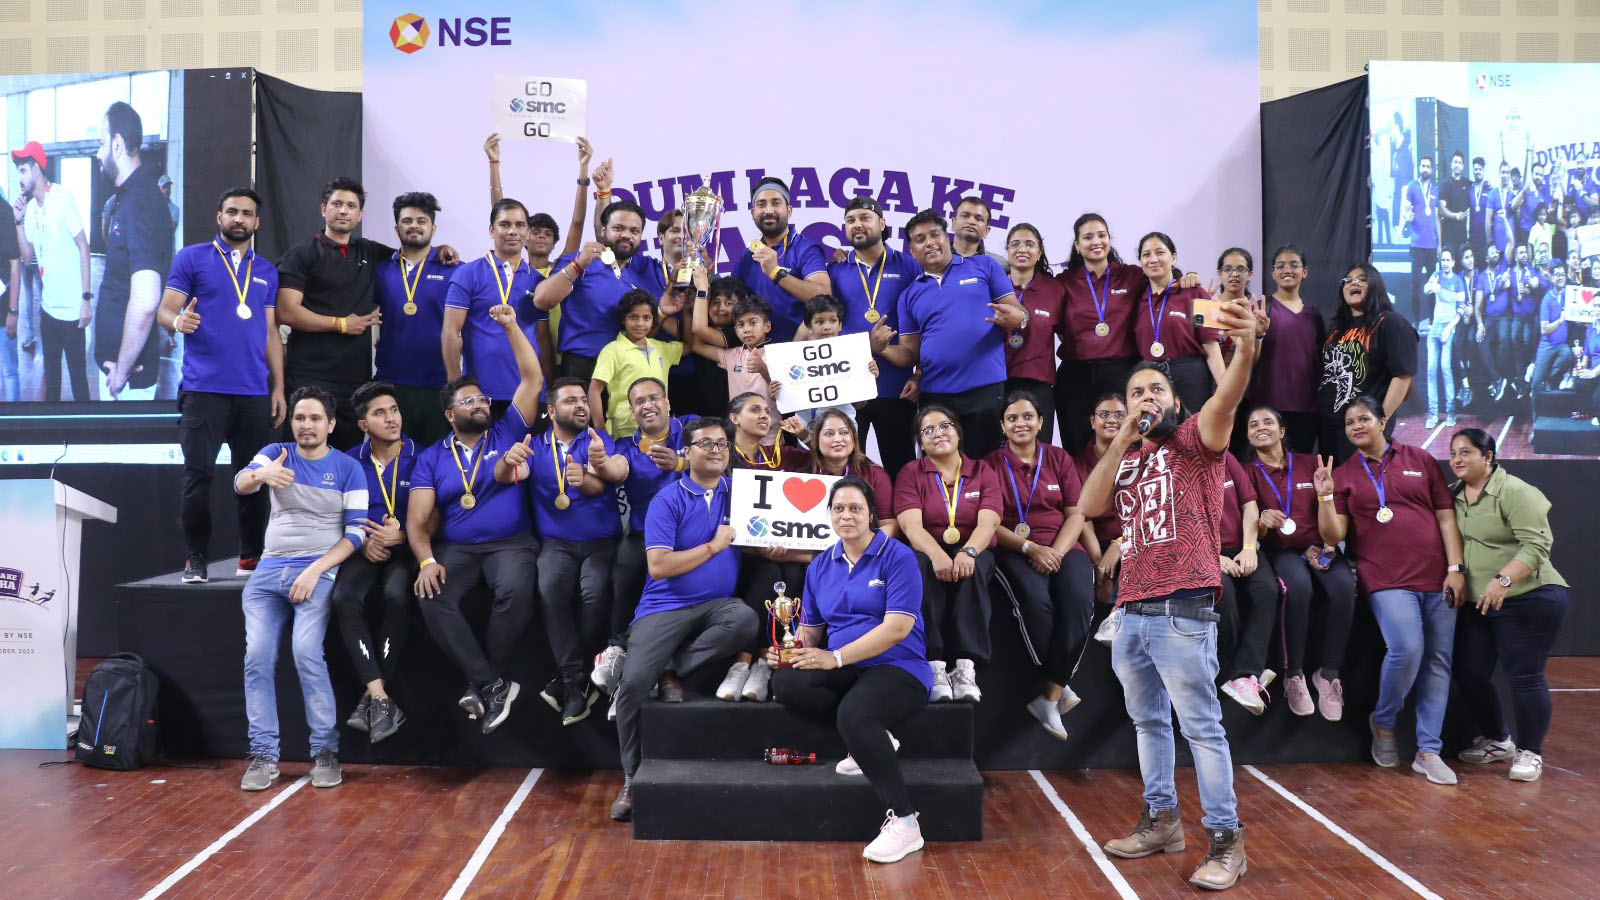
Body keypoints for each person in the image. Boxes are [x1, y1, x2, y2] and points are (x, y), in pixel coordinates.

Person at [1077, 295, 1261, 891]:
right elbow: (1091, 505)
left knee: (1201, 729)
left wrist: (1245, 350)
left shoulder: (1195, 440)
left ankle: (1227, 841)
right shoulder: (1128, 458)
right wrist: (1120, 438)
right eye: (1136, 393)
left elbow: (1227, 397)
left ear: (1176, 402)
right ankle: (1161, 822)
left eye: (1156, 390)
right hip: (1131, 608)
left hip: (1184, 607)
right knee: (1148, 724)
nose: (1146, 398)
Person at [769, 476, 932, 864]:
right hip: (846, 666)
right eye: (838, 508)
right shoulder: (820, 565)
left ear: (871, 513)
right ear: (829, 514)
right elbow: (811, 631)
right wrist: (790, 651)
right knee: (786, 683)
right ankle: (873, 738)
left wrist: (836, 657)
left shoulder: (898, 557)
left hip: (899, 666)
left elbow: (897, 628)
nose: (847, 516)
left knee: (854, 715)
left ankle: (906, 823)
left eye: (855, 508)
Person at [609, 416, 761, 822]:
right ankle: (631, 777)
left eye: (722, 444)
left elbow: (764, 530)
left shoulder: (742, 493)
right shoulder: (668, 499)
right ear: (687, 452)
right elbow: (659, 566)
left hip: (716, 606)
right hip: (664, 606)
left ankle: (669, 668)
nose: (716, 450)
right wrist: (714, 546)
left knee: (745, 620)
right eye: (705, 443)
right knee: (633, 685)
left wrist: (776, 545)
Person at [1313, 396, 1466, 786]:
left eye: (1363, 418)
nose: (1356, 426)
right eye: (1349, 422)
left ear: (1383, 421)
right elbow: (1333, 535)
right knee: (1407, 648)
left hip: (1437, 576)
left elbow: (1446, 518)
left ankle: (1428, 751)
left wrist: (1455, 569)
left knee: (1438, 661)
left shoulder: (1420, 460)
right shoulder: (1344, 473)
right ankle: (1383, 722)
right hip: (1385, 579)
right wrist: (1325, 496)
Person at [406, 303, 543, 735]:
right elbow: (417, 520)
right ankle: (492, 684)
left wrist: (512, 327)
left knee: (516, 592)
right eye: (469, 401)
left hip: (512, 543)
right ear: (450, 415)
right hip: (458, 548)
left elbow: (532, 379)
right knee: (431, 595)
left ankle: (483, 683)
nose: (480, 404)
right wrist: (427, 560)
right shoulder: (431, 458)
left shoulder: (507, 430)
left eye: (482, 398)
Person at [232, 386, 368, 792]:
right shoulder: (276, 453)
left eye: (314, 418)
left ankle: (325, 751)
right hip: (268, 573)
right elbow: (240, 483)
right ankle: (264, 755)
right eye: (299, 418)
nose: (306, 425)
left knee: (306, 651)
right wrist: (260, 475)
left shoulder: (348, 467)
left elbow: (356, 534)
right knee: (256, 657)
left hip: (317, 572)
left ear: (331, 424)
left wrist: (316, 570)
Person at [158, 187, 283, 583]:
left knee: (255, 478)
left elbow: (270, 332)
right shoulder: (192, 258)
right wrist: (178, 322)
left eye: (246, 213)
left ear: (256, 222)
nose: (238, 219)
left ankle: (251, 557)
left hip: (253, 392)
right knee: (198, 476)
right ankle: (196, 558)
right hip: (204, 390)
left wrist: (278, 387)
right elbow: (165, 310)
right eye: (232, 211)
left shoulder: (266, 271)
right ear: (219, 217)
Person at [498, 377, 628, 726]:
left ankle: (570, 680)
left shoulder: (599, 439)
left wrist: (585, 477)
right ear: (551, 411)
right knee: (551, 588)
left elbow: (603, 482)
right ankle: (575, 680)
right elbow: (508, 475)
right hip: (556, 543)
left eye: (583, 399)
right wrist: (508, 462)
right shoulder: (536, 445)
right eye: (571, 401)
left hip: (602, 541)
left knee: (593, 595)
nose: (581, 405)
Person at [1448, 428, 1568, 783]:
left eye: (1466, 452)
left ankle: (1531, 752)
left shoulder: (1516, 491)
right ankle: (1499, 740)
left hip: (1531, 598)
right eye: (1453, 453)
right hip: (1480, 602)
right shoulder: (1454, 495)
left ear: (1488, 457)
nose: (1457, 459)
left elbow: (1537, 546)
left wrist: (1503, 581)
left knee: (1525, 676)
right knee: (1469, 672)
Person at [984, 391, 1093, 740]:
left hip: (1063, 545)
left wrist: (1056, 552)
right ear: (1002, 426)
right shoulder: (989, 465)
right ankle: (1058, 685)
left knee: (1079, 601)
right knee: (1035, 603)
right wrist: (1031, 548)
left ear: (1041, 422)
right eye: (1012, 418)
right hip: (1015, 549)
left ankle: (1051, 694)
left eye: (1028, 416)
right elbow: (989, 523)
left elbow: (1076, 514)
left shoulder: (1059, 458)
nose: (1021, 423)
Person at [879, 210, 1026, 456]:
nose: (929, 242)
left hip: (985, 388)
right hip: (935, 394)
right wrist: (883, 349)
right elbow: (910, 353)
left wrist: (1020, 318)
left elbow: (1017, 310)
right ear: (912, 251)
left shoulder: (985, 266)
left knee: (987, 465)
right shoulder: (908, 295)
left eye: (935, 235)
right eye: (920, 239)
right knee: (940, 467)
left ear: (947, 238)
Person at [1242, 405, 1353, 722]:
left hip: (1319, 547)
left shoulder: (1309, 465)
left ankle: (1329, 674)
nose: (1260, 427)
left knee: (1345, 586)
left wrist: (1328, 539)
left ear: (1282, 431)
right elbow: (1246, 524)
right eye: (1253, 424)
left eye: (1267, 422)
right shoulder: (1247, 472)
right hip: (1282, 551)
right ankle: (1294, 675)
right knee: (1299, 587)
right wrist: (1263, 521)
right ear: (1248, 436)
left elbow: (1332, 518)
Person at [276, 179, 402, 449]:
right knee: (304, 454)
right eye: (337, 204)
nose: (343, 210)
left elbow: (412, 257)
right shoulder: (302, 254)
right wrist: (341, 324)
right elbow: (287, 311)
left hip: (354, 380)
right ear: (324, 209)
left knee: (347, 457)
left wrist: (441, 251)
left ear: (360, 214)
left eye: (351, 206)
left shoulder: (370, 251)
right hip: (309, 375)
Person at [593, 377, 693, 700]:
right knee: (625, 568)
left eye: (654, 398)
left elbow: (720, 456)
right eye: (639, 402)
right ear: (632, 412)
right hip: (646, 538)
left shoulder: (691, 428)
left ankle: (663, 672)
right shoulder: (626, 445)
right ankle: (618, 654)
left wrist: (681, 462)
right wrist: (600, 462)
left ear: (667, 403)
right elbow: (616, 470)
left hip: (691, 535)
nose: (647, 405)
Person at [894, 405, 1001, 703]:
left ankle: (966, 667)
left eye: (945, 426)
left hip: (972, 544)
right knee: (917, 564)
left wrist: (968, 551)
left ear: (958, 431)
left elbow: (989, 522)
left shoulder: (982, 470)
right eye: (928, 430)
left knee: (975, 567)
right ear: (920, 441)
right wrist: (937, 555)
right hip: (927, 545)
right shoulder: (911, 473)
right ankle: (935, 665)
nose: (938, 434)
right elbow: (910, 526)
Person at [333, 381, 418, 743]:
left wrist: (404, 535)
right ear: (363, 424)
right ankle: (380, 696)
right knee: (343, 598)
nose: (391, 418)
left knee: (397, 596)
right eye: (380, 413)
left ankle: (373, 698)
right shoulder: (348, 461)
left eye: (394, 410)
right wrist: (362, 542)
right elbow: (335, 514)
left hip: (406, 551)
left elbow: (436, 517)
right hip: (363, 550)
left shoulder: (421, 456)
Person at [716, 391, 809, 702]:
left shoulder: (782, 454)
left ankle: (766, 661)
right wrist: (755, 548)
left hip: (779, 550)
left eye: (767, 411)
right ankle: (741, 664)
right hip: (734, 550)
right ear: (734, 418)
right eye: (755, 410)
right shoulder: (721, 455)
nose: (764, 416)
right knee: (769, 572)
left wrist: (805, 435)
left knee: (792, 573)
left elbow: (829, 457)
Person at [829, 196, 921, 476]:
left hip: (896, 387)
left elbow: (928, 323)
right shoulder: (835, 270)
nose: (857, 225)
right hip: (847, 386)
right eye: (850, 220)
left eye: (864, 218)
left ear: (882, 224)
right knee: (844, 469)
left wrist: (920, 374)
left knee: (902, 468)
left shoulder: (909, 267)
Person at [443, 199, 552, 421]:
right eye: (505, 224)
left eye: (520, 225)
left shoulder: (539, 282)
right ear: (492, 230)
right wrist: (456, 389)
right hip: (481, 396)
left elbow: (542, 339)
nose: (513, 231)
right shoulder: (468, 273)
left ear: (528, 232)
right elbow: (451, 333)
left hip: (529, 395)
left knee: (527, 445)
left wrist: (549, 387)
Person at [532, 188, 652, 383]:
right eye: (618, 228)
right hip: (580, 367)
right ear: (603, 231)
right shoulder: (577, 262)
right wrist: (578, 265)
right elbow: (541, 300)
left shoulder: (636, 281)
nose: (626, 235)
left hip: (623, 370)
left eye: (634, 231)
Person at [95, 101, 172, 401]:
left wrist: (122, 371)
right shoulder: (129, 198)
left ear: (117, 144)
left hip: (125, 380)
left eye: (101, 144)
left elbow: (146, 300)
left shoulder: (141, 203)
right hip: (120, 371)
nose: (98, 154)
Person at [373, 192, 456, 445]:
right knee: (393, 456)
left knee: (436, 456)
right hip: (390, 383)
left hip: (438, 384)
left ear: (433, 228)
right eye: (407, 221)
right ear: (396, 228)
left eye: (421, 221)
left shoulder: (455, 270)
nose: (414, 226)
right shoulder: (380, 269)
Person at [13, 141, 91, 401]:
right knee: (52, 383)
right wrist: (18, 222)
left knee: (79, 383)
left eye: (23, 170)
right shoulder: (31, 209)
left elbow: (84, 247)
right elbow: (27, 259)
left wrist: (86, 300)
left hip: (72, 314)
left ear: (36, 169)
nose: (19, 178)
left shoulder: (63, 198)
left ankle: (85, 428)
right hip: (48, 313)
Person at [1317, 264, 1417, 463]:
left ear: (1375, 285)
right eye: (1348, 280)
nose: (1353, 283)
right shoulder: (1336, 329)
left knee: (1365, 481)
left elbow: (1403, 376)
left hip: (1364, 430)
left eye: (1361, 279)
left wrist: (1381, 421)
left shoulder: (1391, 323)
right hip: (1330, 429)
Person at [1210, 448, 1281, 718]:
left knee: (1268, 589)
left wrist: (1250, 547)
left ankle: (1246, 673)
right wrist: (1212, 557)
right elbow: (1181, 522)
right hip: (1204, 553)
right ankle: (1234, 673)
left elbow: (1249, 504)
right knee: (1224, 594)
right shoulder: (1180, 465)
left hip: (1241, 547)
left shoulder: (1227, 458)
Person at [1132, 233, 1223, 418]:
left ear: (1173, 258)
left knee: (1194, 432)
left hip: (1191, 378)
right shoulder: (1137, 300)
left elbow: (1212, 348)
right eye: (1146, 254)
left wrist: (1225, 393)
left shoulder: (1197, 292)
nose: (1153, 259)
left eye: (1160, 252)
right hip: (1152, 380)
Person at [731, 177, 829, 341]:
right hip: (760, 351)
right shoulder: (748, 255)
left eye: (776, 203)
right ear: (753, 213)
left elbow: (824, 295)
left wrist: (776, 273)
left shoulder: (806, 249)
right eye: (761, 205)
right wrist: (705, 270)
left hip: (799, 349)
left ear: (789, 210)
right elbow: (728, 296)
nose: (769, 210)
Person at [1248, 245, 1324, 453]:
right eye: (1280, 266)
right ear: (1273, 273)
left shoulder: (1314, 315)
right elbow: (1248, 360)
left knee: (1300, 464)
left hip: (1306, 407)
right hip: (1268, 406)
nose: (1287, 270)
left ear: (1304, 271)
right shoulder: (1261, 309)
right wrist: (1258, 334)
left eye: (1294, 265)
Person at [589, 288, 686, 439]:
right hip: (625, 431)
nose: (640, 323)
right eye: (634, 317)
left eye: (646, 318)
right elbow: (594, 390)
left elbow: (690, 345)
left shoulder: (660, 348)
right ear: (623, 319)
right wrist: (600, 428)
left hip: (660, 428)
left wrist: (686, 311)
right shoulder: (612, 350)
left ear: (653, 321)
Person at [1002, 224, 1067, 444]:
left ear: (1039, 253)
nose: (1022, 249)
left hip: (1038, 385)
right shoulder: (993, 286)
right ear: (1007, 251)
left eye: (1029, 244)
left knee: (1039, 452)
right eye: (1015, 244)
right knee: (997, 454)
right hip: (998, 384)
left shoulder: (1055, 289)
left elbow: (1066, 335)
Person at [689, 293, 775, 436]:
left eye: (753, 323)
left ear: (767, 326)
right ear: (735, 330)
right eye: (741, 325)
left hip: (770, 436)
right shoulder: (731, 355)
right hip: (737, 436)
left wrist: (763, 370)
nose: (746, 329)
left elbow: (786, 396)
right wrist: (695, 307)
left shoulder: (780, 354)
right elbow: (697, 346)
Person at [1072, 393, 1127, 614]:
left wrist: (1120, 544)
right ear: (1092, 421)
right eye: (1104, 414)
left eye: (1119, 415)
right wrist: (1099, 564)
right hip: (1094, 546)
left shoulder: (1141, 458)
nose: (1111, 420)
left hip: (1134, 542)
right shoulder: (1076, 464)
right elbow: (1081, 517)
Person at [805, 408, 898, 536]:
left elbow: (890, 524)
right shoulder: (802, 472)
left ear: (854, 438)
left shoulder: (875, 474)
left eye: (844, 432)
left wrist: (863, 543)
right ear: (816, 440)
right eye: (829, 434)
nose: (838, 439)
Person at [1421, 246, 1465, 427]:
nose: (1445, 263)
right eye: (1443, 260)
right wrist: (1432, 287)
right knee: (1431, 368)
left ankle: (1451, 412)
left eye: (1448, 260)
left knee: (1445, 367)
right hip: (1435, 328)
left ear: (1453, 262)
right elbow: (1426, 289)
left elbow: (1460, 310)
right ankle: (1432, 414)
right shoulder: (1436, 275)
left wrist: (1448, 329)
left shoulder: (1458, 281)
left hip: (1449, 327)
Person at [1528, 265, 1573, 434]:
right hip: (1546, 346)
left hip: (1561, 347)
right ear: (1552, 278)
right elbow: (1544, 329)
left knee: (1568, 353)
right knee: (1535, 384)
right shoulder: (1547, 299)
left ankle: (1549, 377)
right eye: (1557, 274)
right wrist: (1560, 321)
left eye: (1563, 274)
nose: (1560, 277)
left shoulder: (1570, 296)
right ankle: (1535, 424)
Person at [1402, 155, 1439, 323]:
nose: (1425, 169)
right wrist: (1407, 215)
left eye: (1428, 166)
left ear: (1431, 170)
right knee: (1416, 285)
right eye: (1423, 166)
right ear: (1419, 167)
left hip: (1431, 245)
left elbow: (1436, 218)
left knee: (1432, 285)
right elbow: (1406, 209)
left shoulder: (1435, 190)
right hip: (1417, 244)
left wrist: (1439, 243)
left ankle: (1432, 320)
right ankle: (1416, 321)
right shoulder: (1412, 187)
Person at [950, 196, 1009, 267]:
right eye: (965, 216)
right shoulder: (938, 257)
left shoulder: (999, 264)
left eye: (979, 219)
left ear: (986, 231)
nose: (971, 221)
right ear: (953, 223)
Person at [0, 183, 18, 401]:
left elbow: (14, 264)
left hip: (2, 311)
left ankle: (14, 418)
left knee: (9, 372)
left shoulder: (4, 212)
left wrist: (13, 311)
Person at [1439, 151, 1471, 256]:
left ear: (1463, 166)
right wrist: (1456, 216)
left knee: (1461, 263)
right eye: (1455, 162)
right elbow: (1441, 210)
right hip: (1448, 235)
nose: (1457, 165)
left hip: (1462, 236)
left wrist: (1486, 184)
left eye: (1459, 163)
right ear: (1451, 164)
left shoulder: (1467, 183)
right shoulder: (1445, 185)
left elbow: (1478, 186)